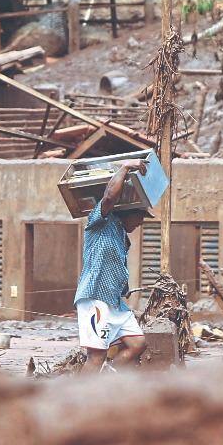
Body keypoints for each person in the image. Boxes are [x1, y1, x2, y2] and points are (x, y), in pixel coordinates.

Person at [74, 158, 151, 372]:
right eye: (139, 217)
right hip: (96, 298)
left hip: (116, 303)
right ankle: (79, 398)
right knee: (96, 356)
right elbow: (109, 197)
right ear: (127, 211)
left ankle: (106, 379)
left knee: (138, 344)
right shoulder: (100, 222)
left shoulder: (122, 236)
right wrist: (125, 167)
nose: (140, 223)